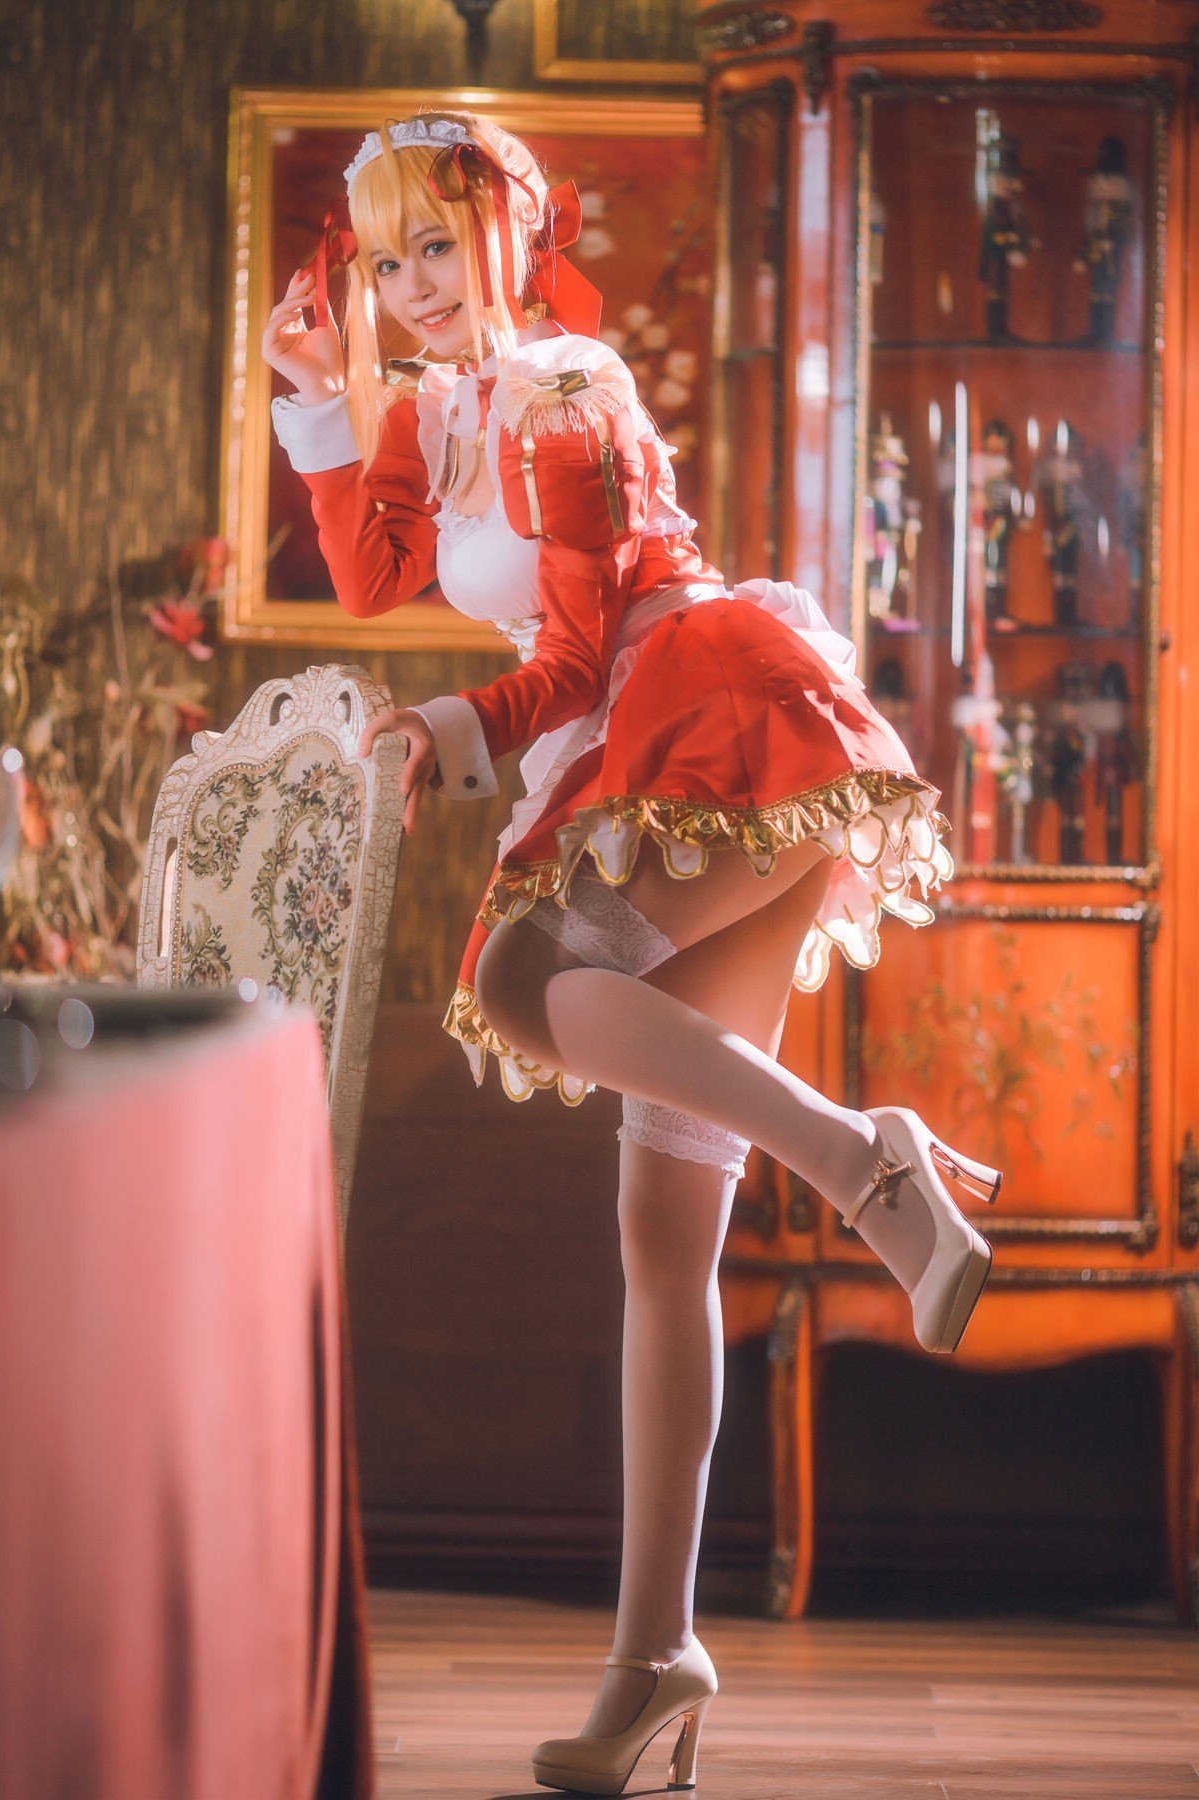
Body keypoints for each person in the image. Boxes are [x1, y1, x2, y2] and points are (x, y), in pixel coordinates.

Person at [263, 109, 1003, 1797]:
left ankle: (863, 1163)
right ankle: (654, 1656)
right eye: (387, 259)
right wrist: (314, 388)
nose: (414, 285)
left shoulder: (567, 391)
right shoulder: (441, 407)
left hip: (710, 717)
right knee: (664, 1238)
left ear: (512, 233)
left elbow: (588, 658)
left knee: (518, 980)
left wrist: (454, 728)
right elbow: (374, 577)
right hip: (662, 746)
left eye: (439, 244)